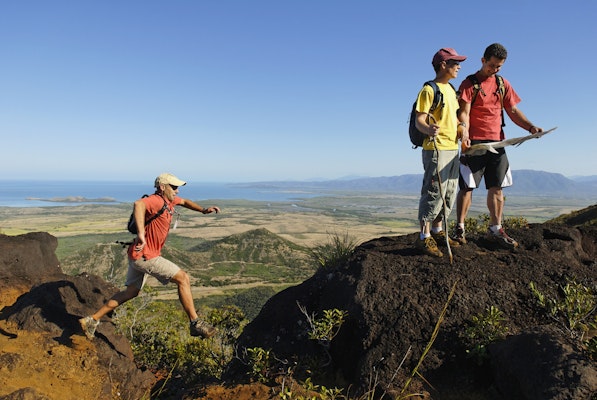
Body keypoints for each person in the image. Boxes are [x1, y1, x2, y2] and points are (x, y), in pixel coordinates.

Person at [80, 173, 221, 339]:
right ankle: (195, 323)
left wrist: (203, 210)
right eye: (174, 187)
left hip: (136, 256)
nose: (177, 191)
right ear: (162, 187)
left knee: (131, 292)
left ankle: (91, 319)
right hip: (146, 256)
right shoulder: (156, 200)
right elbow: (139, 204)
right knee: (183, 278)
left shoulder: (169, 200)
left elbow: (184, 202)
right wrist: (141, 234)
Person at [453, 43, 543, 248]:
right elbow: (463, 112)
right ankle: (460, 228)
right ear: (483, 60)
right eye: (492, 65)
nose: (495, 69)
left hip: (498, 142)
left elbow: (512, 110)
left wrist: (530, 127)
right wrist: (464, 132)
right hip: (474, 143)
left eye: (499, 66)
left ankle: (496, 229)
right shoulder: (469, 83)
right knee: (467, 186)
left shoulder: (503, 84)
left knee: (497, 187)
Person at [414, 48, 467, 257]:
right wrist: (427, 129)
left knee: (449, 192)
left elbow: (453, 117)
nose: (459, 67)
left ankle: (437, 231)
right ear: (443, 65)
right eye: (455, 63)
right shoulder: (429, 89)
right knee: (433, 191)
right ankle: (424, 237)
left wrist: (461, 128)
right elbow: (420, 118)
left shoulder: (451, 90)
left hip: (452, 148)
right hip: (435, 149)